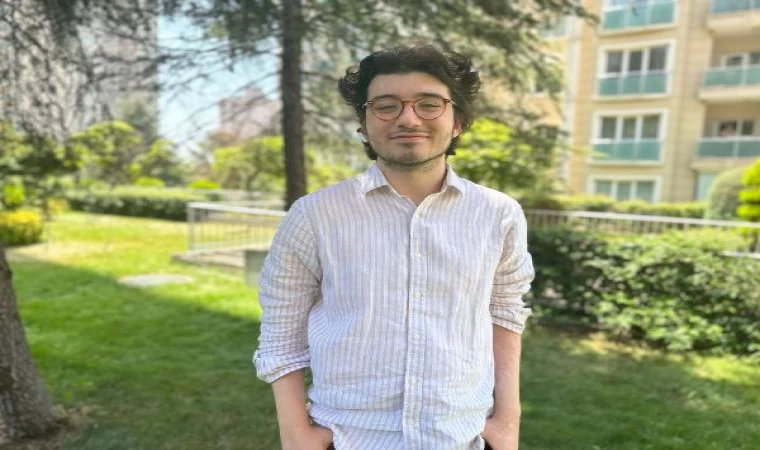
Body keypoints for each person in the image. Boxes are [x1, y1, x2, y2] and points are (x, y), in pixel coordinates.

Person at [254, 45, 535, 450]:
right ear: (364, 124)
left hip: (461, 436)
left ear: (458, 121)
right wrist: (296, 435)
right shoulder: (314, 216)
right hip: (350, 437)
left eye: (429, 104)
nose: (408, 118)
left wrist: (508, 421)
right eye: (386, 106)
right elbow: (282, 330)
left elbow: (505, 313)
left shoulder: (499, 214)